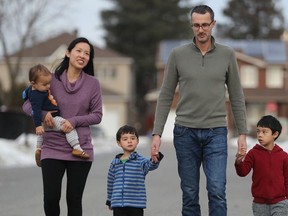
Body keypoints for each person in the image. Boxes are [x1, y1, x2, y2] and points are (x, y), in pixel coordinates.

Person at [150, 5, 248, 216]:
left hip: (216, 133)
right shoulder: (177, 55)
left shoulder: (227, 54)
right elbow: (166, 94)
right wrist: (157, 132)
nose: (201, 29)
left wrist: (242, 133)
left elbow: (237, 95)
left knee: (216, 191)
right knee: (190, 193)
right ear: (191, 26)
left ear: (213, 24)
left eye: (205, 25)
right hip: (185, 133)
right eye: (196, 25)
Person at [22, 37, 103, 216]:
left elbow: (97, 115)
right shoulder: (49, 80)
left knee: (74, 201)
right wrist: (44, 115)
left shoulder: (93, 84)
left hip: (79, 148)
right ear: (68, 53)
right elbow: (27, 104)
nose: (82, 55)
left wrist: (73, 121)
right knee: (50, 200)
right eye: (78, 51)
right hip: (52, 147)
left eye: (87, 53)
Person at [22, 64, 90, 167]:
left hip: (45, 121)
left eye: (49, 83)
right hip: (53, 118)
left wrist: (25, 94)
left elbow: (26, 93)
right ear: (33, 84)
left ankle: (39, 149)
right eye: (44, 85)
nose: (48, 86)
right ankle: (76, 148)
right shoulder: (37, 96)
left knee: (42, 133)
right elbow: (35, 110)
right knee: (68, 127)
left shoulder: (32, 89)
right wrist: (38, 125)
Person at [235, 115, 288, 216]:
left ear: (275, 134)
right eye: (258, 131)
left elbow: (287, 179)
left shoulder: (283, 156)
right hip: (259, 203)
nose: (260, 135)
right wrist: (239, 161)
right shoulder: (253, 153)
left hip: (280, 202)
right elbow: (243, 172)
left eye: (264, 132)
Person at [106, 125, 163, 216]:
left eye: (133, 138)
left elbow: (150, 165)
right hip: (118, 204)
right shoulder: (115, 162)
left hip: (136, 204)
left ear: (137, 141)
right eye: (125, 139)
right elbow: (110, 182)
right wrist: (109, 200)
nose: (129, 141)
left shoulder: (140, 161)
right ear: (119, 143)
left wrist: (155, 159)